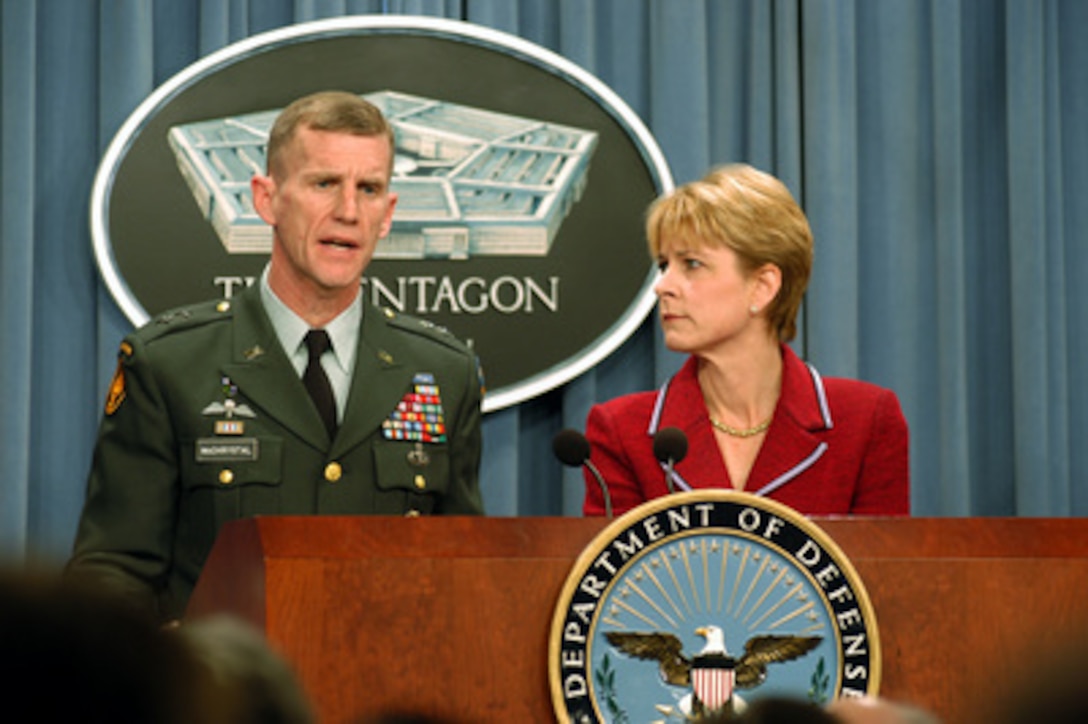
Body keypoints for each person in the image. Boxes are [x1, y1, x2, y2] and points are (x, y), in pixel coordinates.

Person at [67, 91, 484, 623]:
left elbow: (467, 570)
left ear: (388, 213)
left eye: (369, 189)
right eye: (324, 184)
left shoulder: (444, 373)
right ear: (266, 198)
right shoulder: (169, 364)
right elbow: (113, 570)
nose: (349, 211)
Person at [583, 164, 908, 517]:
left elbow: (880, 570)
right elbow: (616, 571)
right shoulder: (621, 431)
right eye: (664, 265)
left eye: (691, 264)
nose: (663, 286)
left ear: (763, 286)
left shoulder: (865, 422)